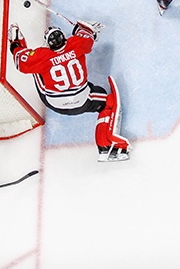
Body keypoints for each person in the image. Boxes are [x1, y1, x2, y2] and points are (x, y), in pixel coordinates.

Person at [9, 20, 130, 162]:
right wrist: (82, 29)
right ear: (64, 38)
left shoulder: (42, 55)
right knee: (107, 102)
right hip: (84, 102)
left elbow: (19, 60)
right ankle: (105, 147)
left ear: (49, 45)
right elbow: (88, 33)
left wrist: (15, 43)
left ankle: (33, 62)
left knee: (34, 66)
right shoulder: (76, 43)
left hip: (54, 104)